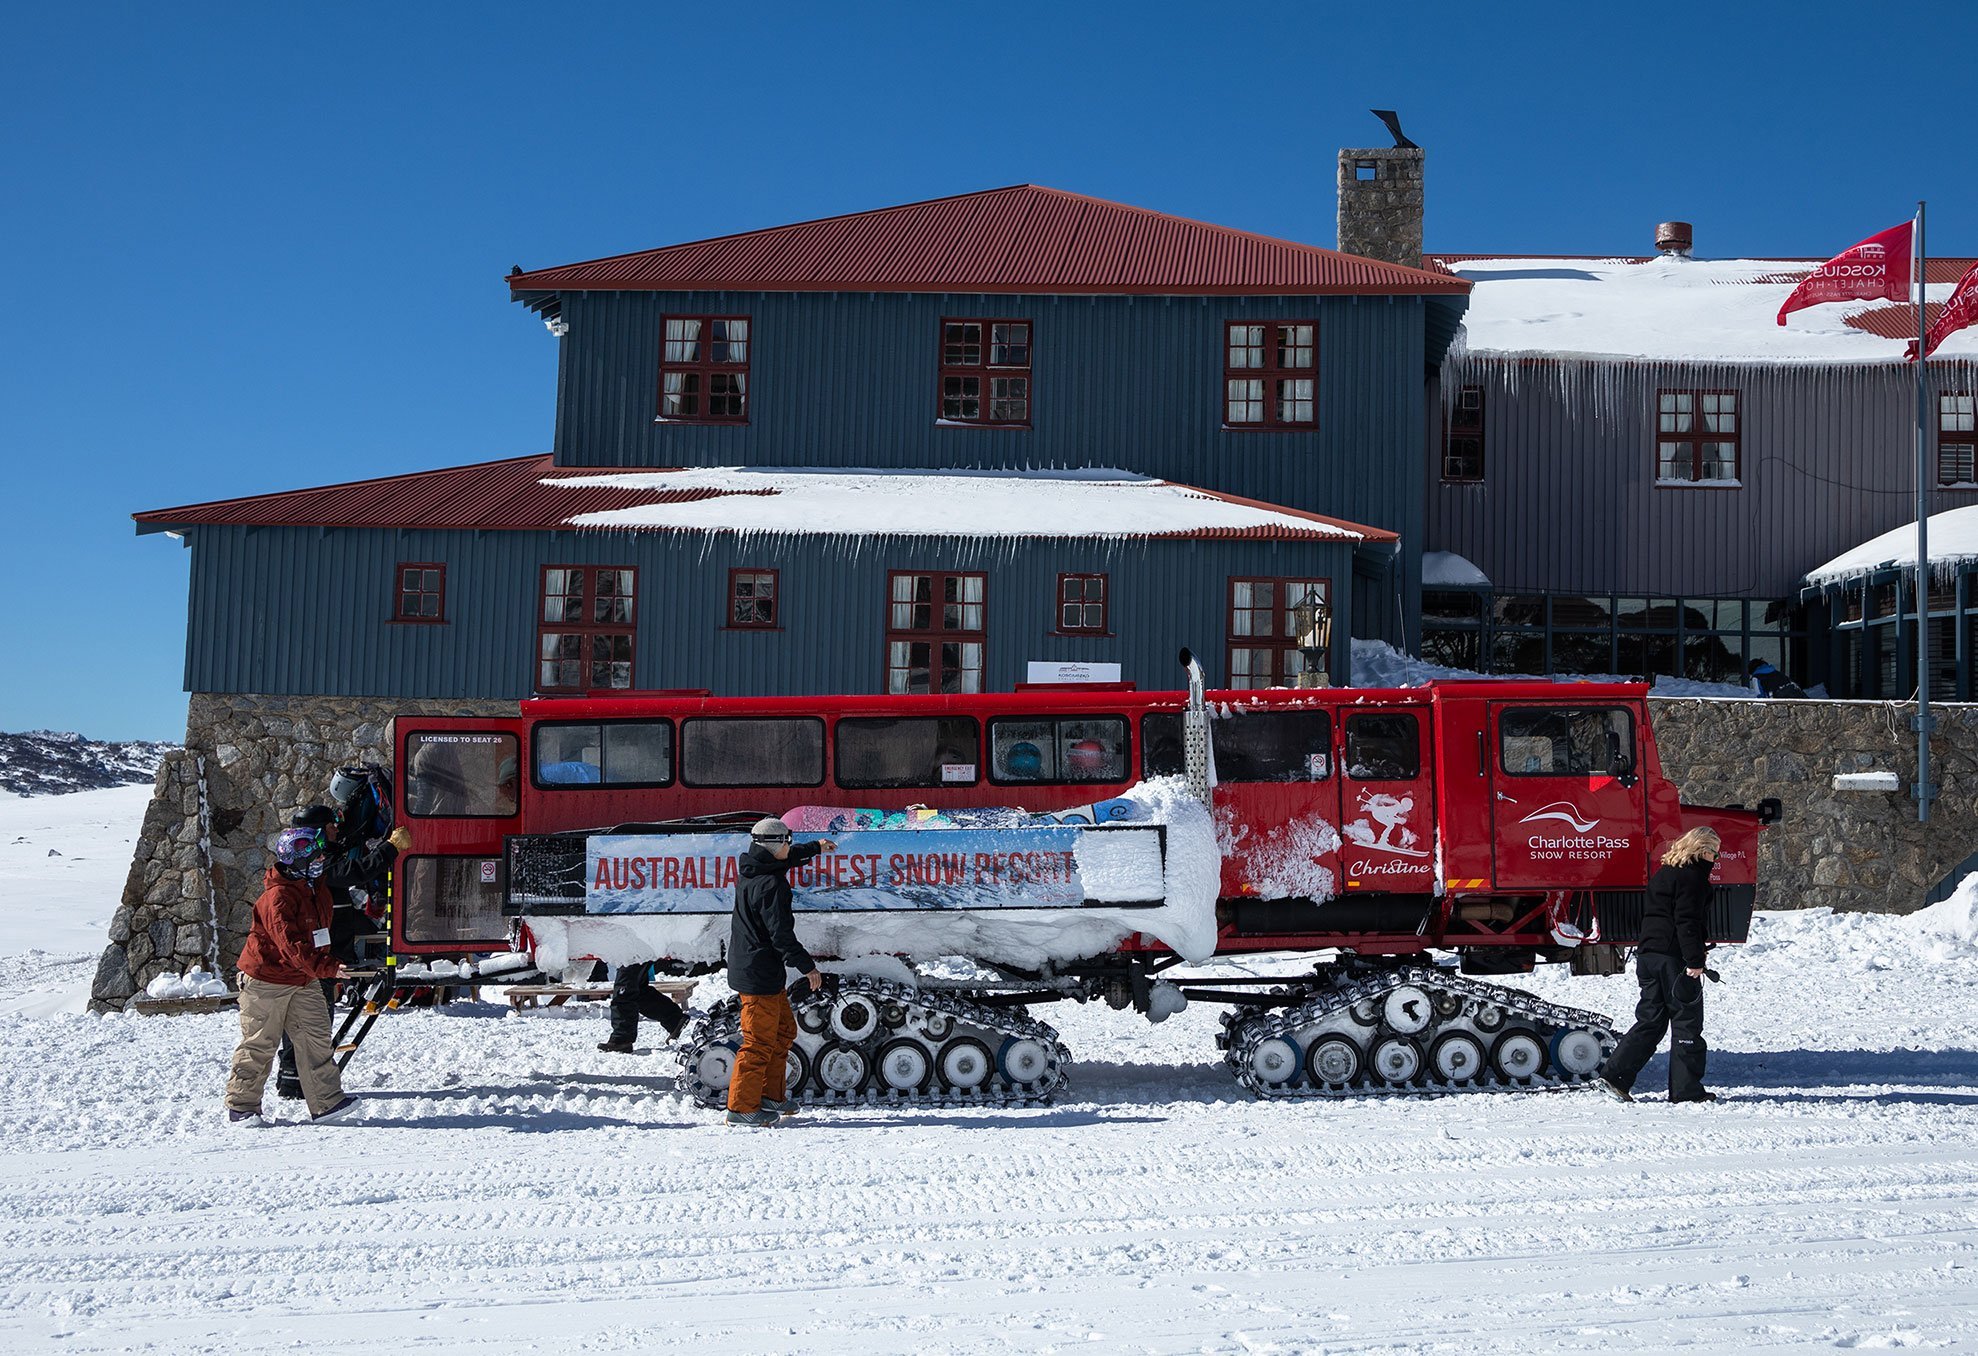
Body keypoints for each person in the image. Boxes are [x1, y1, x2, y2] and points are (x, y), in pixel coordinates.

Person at [224, 827, 361, 1125]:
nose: (320, 860)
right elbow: (291, 946)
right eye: (313, 856)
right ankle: (242, 1106)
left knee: (316, 1038)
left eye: (320, 854)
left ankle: (326, 1102)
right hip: (267, 980)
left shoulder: (316, 888)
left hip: (301, 978)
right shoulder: (278, 897)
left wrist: (329, 961)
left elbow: (317, 937)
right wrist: (327, 968)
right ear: (295, 861)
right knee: (261, 1042)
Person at [275, 803, 410, 1099]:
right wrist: (389, 849)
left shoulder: (316, 859)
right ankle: (296, 1081)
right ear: (320, 832)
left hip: (325, 956)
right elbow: (354, 871)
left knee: (314, 1019)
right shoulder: (314, 862)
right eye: (332, 827)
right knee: (310, 1020)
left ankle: (296, 1079)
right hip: (314, 959)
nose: (337, 830)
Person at [725, 817, 835, 1127]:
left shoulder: (757, 867)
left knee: (783, 1032)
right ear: (774, 846)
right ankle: (742, 1107)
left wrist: (815, 848)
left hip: (762, 971)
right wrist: (808, 968)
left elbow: (785, 858)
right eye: (786, 841)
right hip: (758, 975)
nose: (789, 845)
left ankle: (771, 1096)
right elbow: (782, 936)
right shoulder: (770, 884)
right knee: (759, 1041)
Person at [1599, 826, 1721, 1104]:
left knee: (1651, 1020)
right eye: (1715, 851)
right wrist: (1694, 960)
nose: (1716, 858)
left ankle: (1614, 1077)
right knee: (1687, 1022)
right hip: (1674, 960)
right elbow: (1686, 921)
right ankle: (1686, 1091)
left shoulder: (1665, 873)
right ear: (1703, 851)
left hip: (1648, 956)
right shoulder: (1693, 879)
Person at [597, 961, 687, 1053]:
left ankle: (621, 1038)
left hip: (632, 951)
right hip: (637, 950)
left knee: (624, 990)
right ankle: (674, 1019)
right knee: (638, 989)